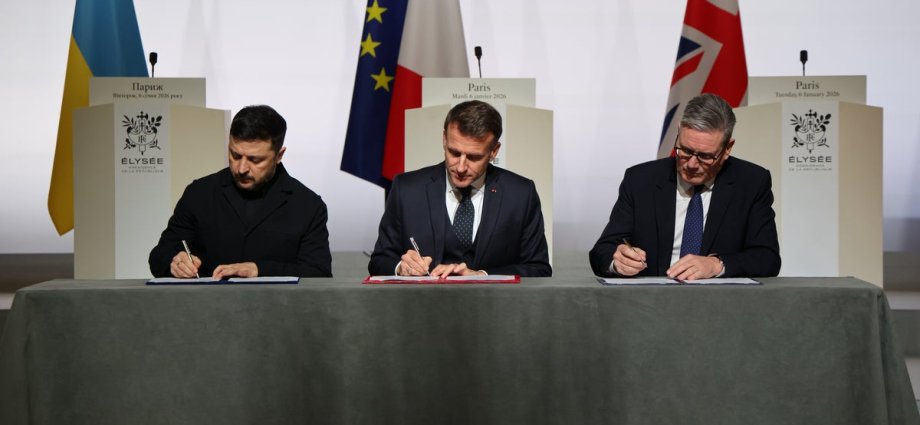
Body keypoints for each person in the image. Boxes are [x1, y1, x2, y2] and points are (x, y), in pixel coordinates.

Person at [589, 93, 780, 280]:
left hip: (720, 298)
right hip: (650, 297)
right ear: (678, 132)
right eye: (685, 150)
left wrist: (716, 264)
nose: (692, 164)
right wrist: (618, 261)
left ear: (727, 149)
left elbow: (767, 258)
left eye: (705, 156)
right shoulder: (640, 180)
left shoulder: (752, 183)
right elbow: (602, 251)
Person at [368, 100, 552, 278]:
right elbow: (379, 261)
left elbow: (539, 269)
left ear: (494, 151)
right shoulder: (406, 189)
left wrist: (482, 276)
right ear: (444, 139)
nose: (461, 167)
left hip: (493, 300)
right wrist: (401, 268)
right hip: (423, 300)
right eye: (454, 153)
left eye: (474, 157)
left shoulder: (521, 194)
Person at [149, 105, 332, 278]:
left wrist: (259, 270)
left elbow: (318, 273)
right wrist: (174, 262)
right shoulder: (199, 193)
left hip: (276, 302)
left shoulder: (308, 206)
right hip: (205, 301)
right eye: (235, 155)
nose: (241, 168)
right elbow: (159, 255)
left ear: (279, 155)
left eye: (255, 160)